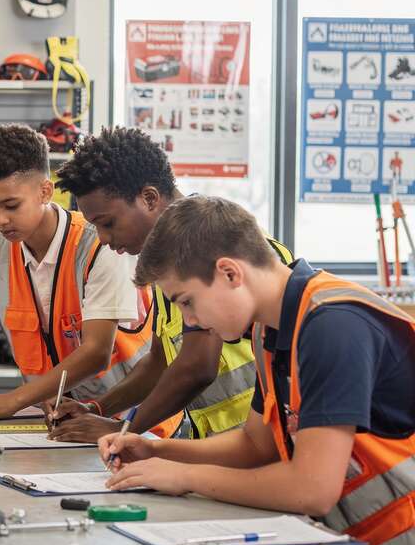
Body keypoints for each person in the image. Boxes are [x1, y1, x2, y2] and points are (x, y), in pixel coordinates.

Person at [104, 196, 415, 545]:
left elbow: (312, 490)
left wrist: (185, 476)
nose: (191, 320)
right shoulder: (270, 331)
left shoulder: (333, 327)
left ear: (230, 273)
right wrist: (158, 451)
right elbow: (256, 444)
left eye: (187, 301)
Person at [47, 126, 292, 443]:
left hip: (266, 438)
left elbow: (197, 366)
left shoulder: (205, 241)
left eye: (108, 224)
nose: (105, 240)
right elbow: (160, 362)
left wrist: (124, 429)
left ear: (148, 198)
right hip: (229, 444)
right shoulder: (168, 260)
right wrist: (98, 407)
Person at [0, 124, 150, 418]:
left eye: (10, 205)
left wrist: (13, 400)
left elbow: (97, 352)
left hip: (130, 421)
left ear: (46, 191)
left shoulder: (101, 245)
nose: (0, 219)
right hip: (52, 426)